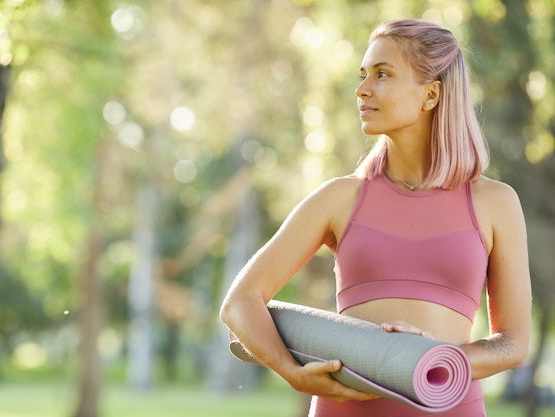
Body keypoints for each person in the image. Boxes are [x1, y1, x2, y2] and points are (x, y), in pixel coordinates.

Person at [219, 18, 532, 417]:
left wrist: (423, 361)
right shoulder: (340, 197)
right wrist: (292, 372)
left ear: (431, 94)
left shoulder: (495, 203)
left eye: (382, 74)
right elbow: (240, 303)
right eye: (363, 75)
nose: (362, 89)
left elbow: (513, 343)